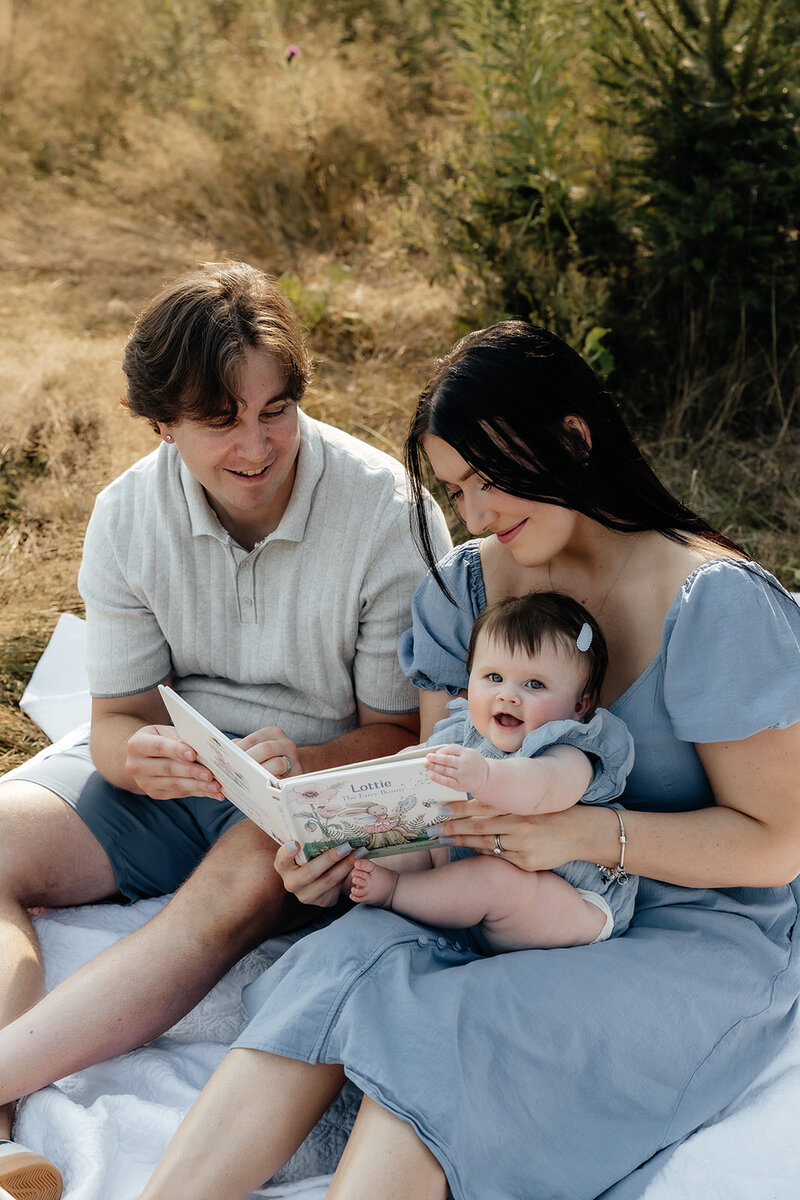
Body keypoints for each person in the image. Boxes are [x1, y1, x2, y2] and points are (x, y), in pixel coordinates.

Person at [131, 318, 800, 1200]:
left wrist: (580, 833)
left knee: (461, 1021)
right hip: (483, 878)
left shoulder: (712, 604)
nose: (476, 515)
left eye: (490, 480)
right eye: (457, 491)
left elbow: (775, 844)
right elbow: (438, 780)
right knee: (345, 962)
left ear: (573, 438)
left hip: (686, 925)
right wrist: (347, 849)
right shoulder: (470, 588)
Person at [0, 261, 450, 1200]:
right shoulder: (128, 512)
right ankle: (4, 1132)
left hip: (310, 791)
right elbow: (116, 723)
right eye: (221, 420)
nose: (257, 446)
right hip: (180, 774)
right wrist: (145, 759)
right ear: (163, 424)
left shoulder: (381, 509)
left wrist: (307, 762)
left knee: (229, 891)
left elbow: (403, 732)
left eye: (275, 410)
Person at [350, 591, 637, 951]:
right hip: (471, 877)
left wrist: (485, 777)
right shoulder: (464, 733)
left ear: (578, 705)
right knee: (414, 840)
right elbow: (419, 767)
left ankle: (395, 893)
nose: (508, 696)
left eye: (535, 684)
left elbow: (541, 787)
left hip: (571, 898)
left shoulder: (570, 748)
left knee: (497, 880)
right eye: (494, 677)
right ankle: (371, 876)